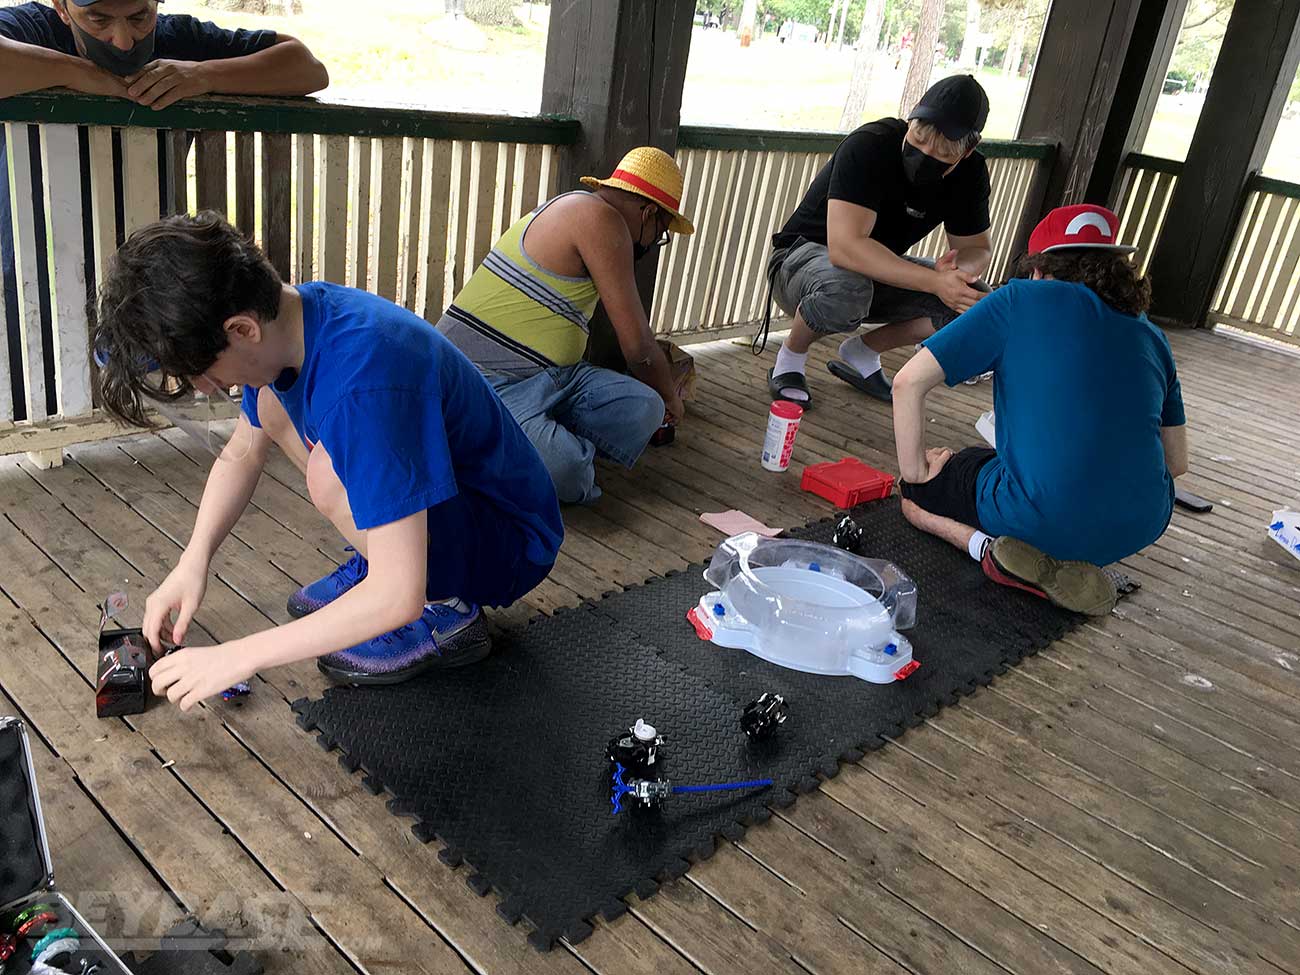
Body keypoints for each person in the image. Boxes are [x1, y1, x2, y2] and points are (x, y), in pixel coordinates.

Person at [92, 212, 564, 708]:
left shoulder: (365, 381)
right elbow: (242, 452)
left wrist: (236, 655)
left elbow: (396, 596)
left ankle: (448, 610)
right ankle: (388, 552)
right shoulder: (292, 320)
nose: (203, 387)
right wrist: (193, 562)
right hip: (457, 508)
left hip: (506, 543)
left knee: (330, 478)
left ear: (241, 328)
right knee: (273, 406)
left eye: (198, 370)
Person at [1, 0, 328, 417]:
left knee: (139, 393)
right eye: (99, 20)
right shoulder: (30, 30)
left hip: (146, 278)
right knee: (41, 395)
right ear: (62, 9)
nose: (122, 41)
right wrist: (77, 73)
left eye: (140, 17)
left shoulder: (179, 42)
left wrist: (203, 75)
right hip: (36, 267)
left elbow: (307, 67)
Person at [890, 204, 1189, 617]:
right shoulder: (1150, 334)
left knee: (915, 495)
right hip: (1141, 521)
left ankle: (991, 552)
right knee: (990, 464)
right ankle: (1065, 559)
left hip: (1038, 515)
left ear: (1039, 269)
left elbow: (907, 383)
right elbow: (1175, 463)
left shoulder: (1019, 300)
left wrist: (918, 475)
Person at [437, 146, 693, 504]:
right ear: (649, 213)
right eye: (660, 233)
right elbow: (638, 348)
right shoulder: (601, 220)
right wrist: (672, 399)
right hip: (487, 382)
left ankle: (519, 442)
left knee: (643, 407)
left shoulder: (580, 207)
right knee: (569, 470)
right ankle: (515, 445)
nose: (652, 243)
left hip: (556, 378)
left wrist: (659, 401)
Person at [763, 74, 993, 408]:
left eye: (941, 151)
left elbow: (977, 247)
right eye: (918, 137)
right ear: (910, 118)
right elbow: (845, 248)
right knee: (849, 286)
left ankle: (863, 352)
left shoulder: (971, 174)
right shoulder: (870, 144)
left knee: (974, 301)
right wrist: (933, 281)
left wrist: (957, 273)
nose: (925, 152)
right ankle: (790, 360)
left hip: (871, 273)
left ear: (968, 150)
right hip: (799, 264)